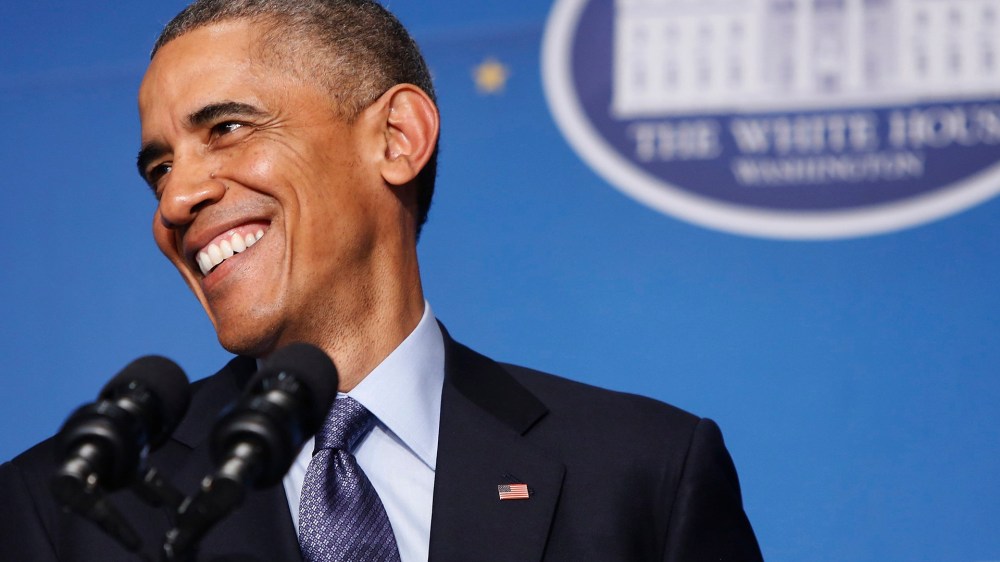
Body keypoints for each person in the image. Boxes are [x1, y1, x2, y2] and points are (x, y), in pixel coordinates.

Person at [0, 1, 763, 561]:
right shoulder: (64, 508)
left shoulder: (642, 473)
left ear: (397, 138)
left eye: (226, 129)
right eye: (160, 167)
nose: (174, 199)